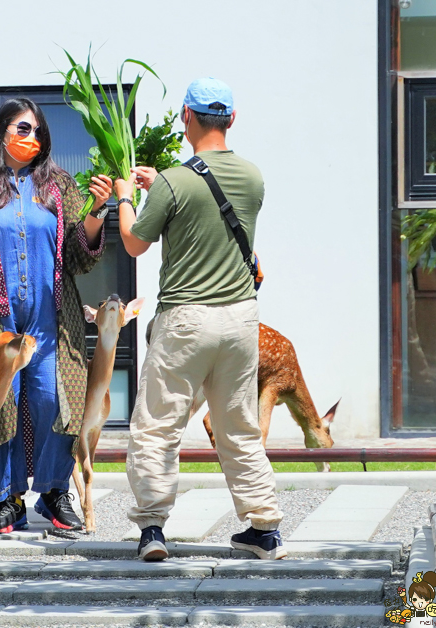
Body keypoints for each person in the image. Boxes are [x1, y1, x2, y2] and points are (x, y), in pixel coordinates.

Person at [113, 77, 284, 561]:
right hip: (239, 320)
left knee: (158, 427)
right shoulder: (253, 177)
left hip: (185, 321)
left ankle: (152, 529)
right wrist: (161, 183)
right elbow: (210, 208)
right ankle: (264, 529)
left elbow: (134, 242)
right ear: (231, 120)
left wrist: (127, 195)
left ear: (186, 117)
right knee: (239, 426)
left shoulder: (172, 180)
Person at [0, 97, 112, 533]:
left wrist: (97, 211)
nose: (31, 138)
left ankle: (54, 491)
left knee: (55, 400)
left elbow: (80, 253)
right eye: (22, 129)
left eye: (37, 131)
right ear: (0, 132)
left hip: (51, 321)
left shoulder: (59, 185)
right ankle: (7, 500)